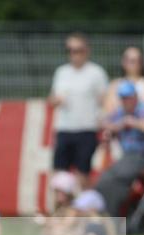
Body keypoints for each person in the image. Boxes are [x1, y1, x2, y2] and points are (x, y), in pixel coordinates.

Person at [48, 33, 109, 189]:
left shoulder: (96, 73)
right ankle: (60, 212)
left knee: (83, 174)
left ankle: (85, 210)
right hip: (64, 128)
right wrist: (56, 100)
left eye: (78, 50)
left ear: (86, 50)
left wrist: (104, 123)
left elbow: (105, 101)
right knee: (59, 176)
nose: (74, 54)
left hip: (86, 129)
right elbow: (51, 100)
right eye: (70, 50)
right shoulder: (61, 72)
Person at [94, 81, 144, 217]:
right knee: (103, 181)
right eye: (123, 98)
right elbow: (101, 122)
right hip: (127, 158)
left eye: (128, 97)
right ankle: (109, 217)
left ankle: (116, 218)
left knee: (116, 179)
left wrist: (130, 122)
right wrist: (113, 128)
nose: (126, 101)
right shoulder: (120, 112)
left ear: (135, 97)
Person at [104, 46, 144, 116]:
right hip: (119, 124)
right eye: (130, 60)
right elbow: (109, 110)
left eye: (136, 61)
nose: (134, 64)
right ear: (123, 62)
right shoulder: (114, 84)